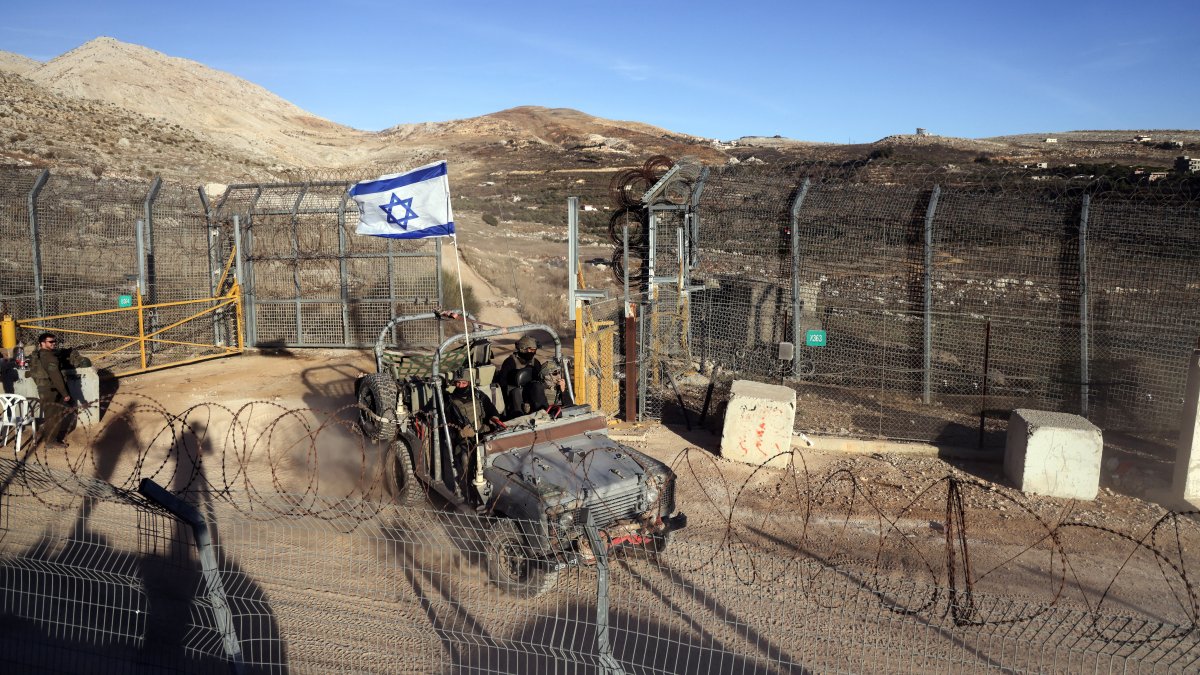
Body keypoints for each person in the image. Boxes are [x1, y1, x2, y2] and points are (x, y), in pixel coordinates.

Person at [27, 332, 91, 449]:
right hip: (51, 390)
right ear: (42, 343)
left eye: (55, 341)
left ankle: (45, 435)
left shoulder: (40, 354)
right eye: (50, 342)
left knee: (51, 415)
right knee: (54, 416)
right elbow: (56, 376)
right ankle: (50, 441)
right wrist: (65, 394)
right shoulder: (49, 357)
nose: (54, 344)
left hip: (45, 388)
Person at [443, 368, 504, 486]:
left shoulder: (478, 395)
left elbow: (492, 410)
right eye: (458, 383)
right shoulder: (450, 402)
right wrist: (461, 434)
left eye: (464, 383)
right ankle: (468, 487)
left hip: (484, 433)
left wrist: (494, 418)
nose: (461, 386)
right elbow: (447, 429)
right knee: (466, 458)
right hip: (464, 440)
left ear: (469, 383)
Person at [498, 335, 548, 419]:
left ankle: (542, 412)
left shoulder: (535, 362)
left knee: (537, 386)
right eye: (530, 349)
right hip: (515, 396)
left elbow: (540, 379)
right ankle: (518, 416)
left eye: (534, 350)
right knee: (517, 392)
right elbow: (503, 383)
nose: (532, 352)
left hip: (532, 393)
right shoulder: (510, 362)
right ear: (522, 349)